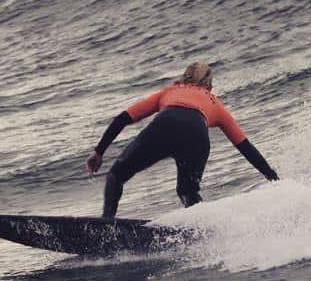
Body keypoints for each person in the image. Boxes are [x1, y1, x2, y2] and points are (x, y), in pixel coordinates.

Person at [86, 62, 279, 218]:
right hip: (197, 135)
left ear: (185, 76)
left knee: (116, 175)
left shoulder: (169, 92)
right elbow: (244, 146)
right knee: (187, 192)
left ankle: (107, 226)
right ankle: (205, 233)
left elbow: (123, 119)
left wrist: (99, 151)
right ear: (209, 85)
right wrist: (272, 177)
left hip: (165, 125)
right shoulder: (215, 103)